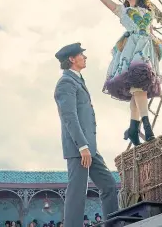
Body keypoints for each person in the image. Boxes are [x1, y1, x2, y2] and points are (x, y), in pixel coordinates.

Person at [71, 0, 162, 147]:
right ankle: (146, 127)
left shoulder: (148, 12)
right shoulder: (123, 11)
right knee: (138, 87)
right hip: (132, 50)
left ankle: (133, 128)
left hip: (146, 50)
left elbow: (152, 35)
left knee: (138, 90)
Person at [54, 43, 119, 227]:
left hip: (90, 148)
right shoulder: (65, 82)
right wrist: (82, 146)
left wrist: (88, 147)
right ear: (72, 59)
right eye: (81, 54)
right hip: (79, 148)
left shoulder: (77, 80)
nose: (85, 57)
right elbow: (69, 117)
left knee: (108, 185)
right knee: (77, 193)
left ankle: (112, 224)